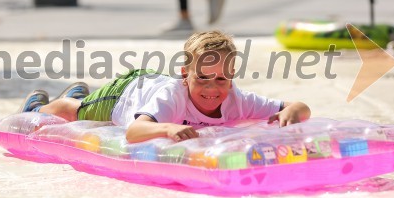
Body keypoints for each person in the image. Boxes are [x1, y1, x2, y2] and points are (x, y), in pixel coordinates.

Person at [18, 30, 311, 143]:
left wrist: (293, 112)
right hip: (129, 93)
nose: (212, 88)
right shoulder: (171, 96)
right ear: (185, 75)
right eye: (203, 78)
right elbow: (134, 131)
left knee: (84, 105)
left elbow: (299, 106)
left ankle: (79, 93)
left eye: (221, 79)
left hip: (151, 86)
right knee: (79, 112)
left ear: (232, 77)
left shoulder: (237, 98)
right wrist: (167, 128)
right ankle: (43, 104)